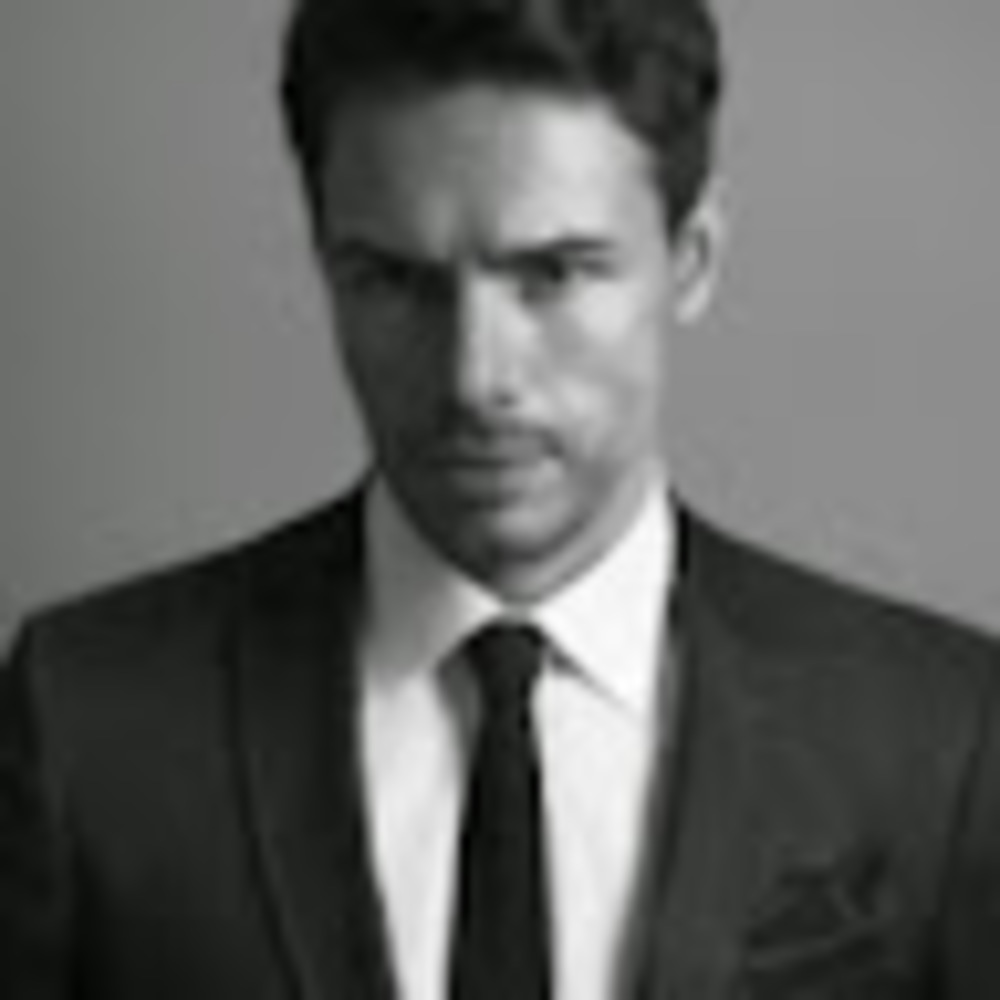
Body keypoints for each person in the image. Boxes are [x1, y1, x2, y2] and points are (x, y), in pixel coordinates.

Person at [2, 0, 999, 996]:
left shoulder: (939, 739)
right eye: (395, 281)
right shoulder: (89, 722)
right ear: (325, 264)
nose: (475, 378)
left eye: (554, 275)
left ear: (691, 259)